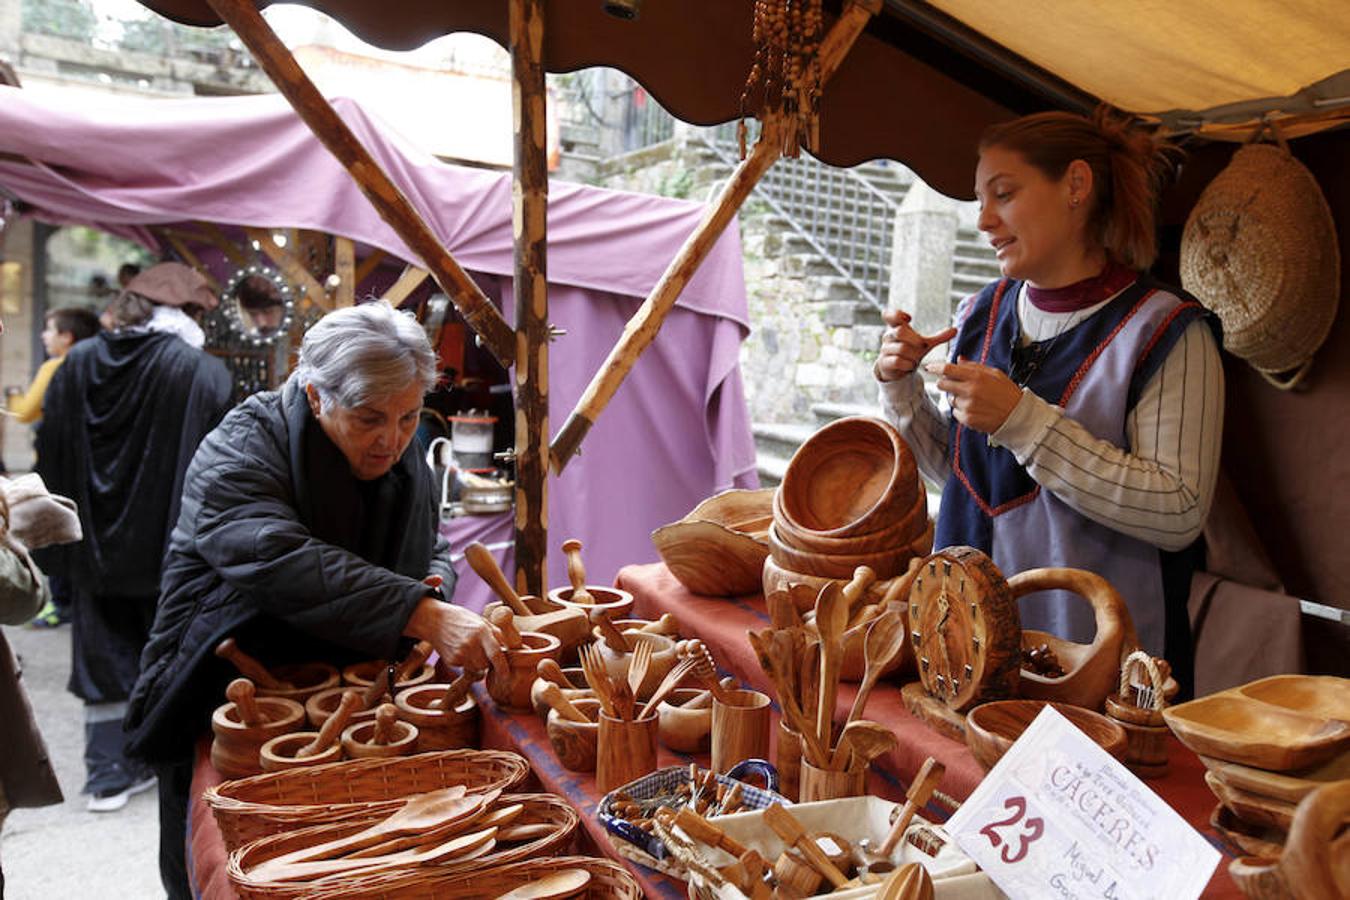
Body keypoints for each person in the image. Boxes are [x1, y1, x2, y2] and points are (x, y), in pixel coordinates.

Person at [122, 300, 505, 900]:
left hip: (348, 689)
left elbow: (429, 547)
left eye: (408, 418)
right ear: (315, 393)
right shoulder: (242, 446)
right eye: (370, 418)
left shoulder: (407, 454)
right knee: (218, 863)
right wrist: (418, 612)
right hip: (227, 681)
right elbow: (277, 557)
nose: (392, 440)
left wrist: (432, 590)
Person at [875, 108, 1223, 696]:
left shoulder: (1167, 332)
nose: (983, 220)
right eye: (979, 199)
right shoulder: (981, 312)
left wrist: (1023, 420)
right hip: (961, 653)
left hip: (1095, 676)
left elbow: (1179, 511)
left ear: (1076, 187)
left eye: (1003, 195)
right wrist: (901, 390)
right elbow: (962, 477)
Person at [33, 262, 234, 818]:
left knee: (100, 655)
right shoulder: (201, 373)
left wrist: (60, 550)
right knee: (167, 653)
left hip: (91, 548)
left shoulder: (75, 363)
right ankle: (160, 764)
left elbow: (49, 450)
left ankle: (105, 776)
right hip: (173, 552)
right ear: (187, 314)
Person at [5, 306, 100, 628]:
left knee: (56, 532)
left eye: (49, 329)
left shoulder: (54, 368)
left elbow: (26, 412)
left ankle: (58, 602)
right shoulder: (100, 366)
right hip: (92, 467)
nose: (44, 336)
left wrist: (13, 397)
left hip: (56, 462)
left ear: (66, 336)